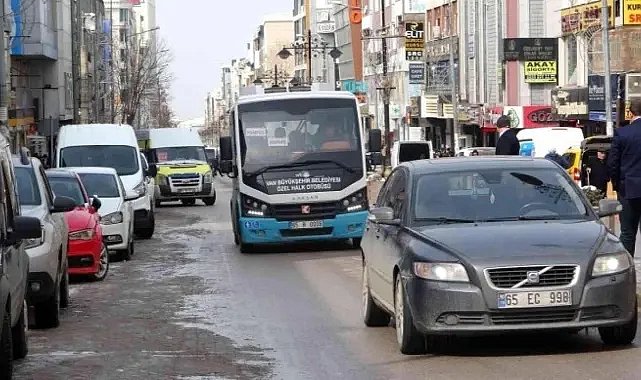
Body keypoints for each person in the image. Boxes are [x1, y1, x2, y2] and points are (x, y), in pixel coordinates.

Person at [608, 98, 641, 256]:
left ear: (631, 112)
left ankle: (628, 268)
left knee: (627, 232)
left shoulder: (622, 133)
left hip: (628, 189)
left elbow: (613, 164)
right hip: (628, 187)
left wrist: (616, 185)